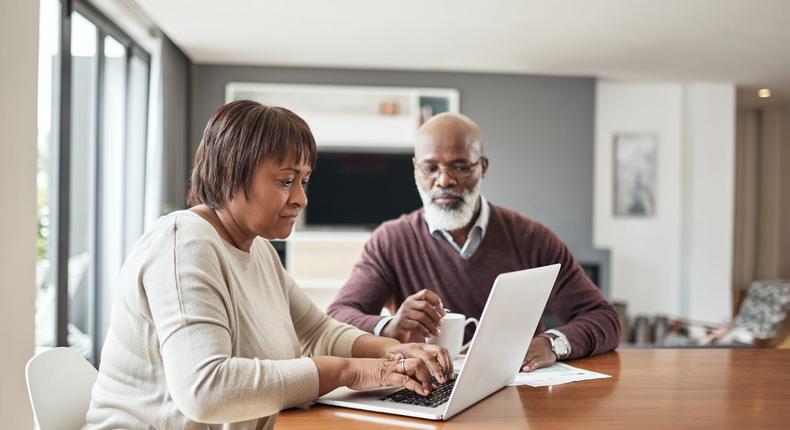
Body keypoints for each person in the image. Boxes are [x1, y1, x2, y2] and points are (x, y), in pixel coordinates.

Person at [84, 101, 452, 430]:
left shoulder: (256, 248)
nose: (301, 199)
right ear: (232, 173)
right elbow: (205, 390)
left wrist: (391, 352)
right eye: (286, 181)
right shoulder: (184, 244)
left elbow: (318, 331)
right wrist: (349, 371)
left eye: (304, 181)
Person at [327, 112, 620, 372]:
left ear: (483, 167)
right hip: (424, 387)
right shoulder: (390, 241)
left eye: (460, 167)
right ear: (416, 169)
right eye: (430, 168)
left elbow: (604, 318)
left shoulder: (532, 239)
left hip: (514, 390)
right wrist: (391, 326)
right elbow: (337, 317)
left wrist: (551, 344)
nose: (444, 181)